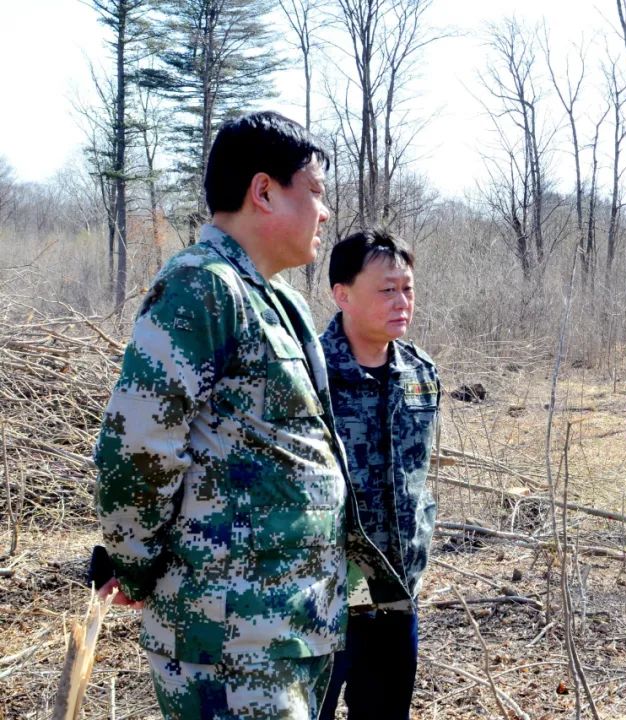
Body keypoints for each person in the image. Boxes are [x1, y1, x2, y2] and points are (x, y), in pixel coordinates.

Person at [94, 111, 396, 720]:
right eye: (315, 191)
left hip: (288, 629)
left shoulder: (276, 297)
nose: (325, 212)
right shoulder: (201, 286)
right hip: (229, 640)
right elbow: (138, 446)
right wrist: (136, 565)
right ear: (263, 191)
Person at [318, 230, 440, 720]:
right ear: (342, 294)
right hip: (321, 597)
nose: (402, 301)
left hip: (394, 594)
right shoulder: (307, 374)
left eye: (407, 289)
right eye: (387, 290)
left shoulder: (421, 374)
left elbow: (417, 477)